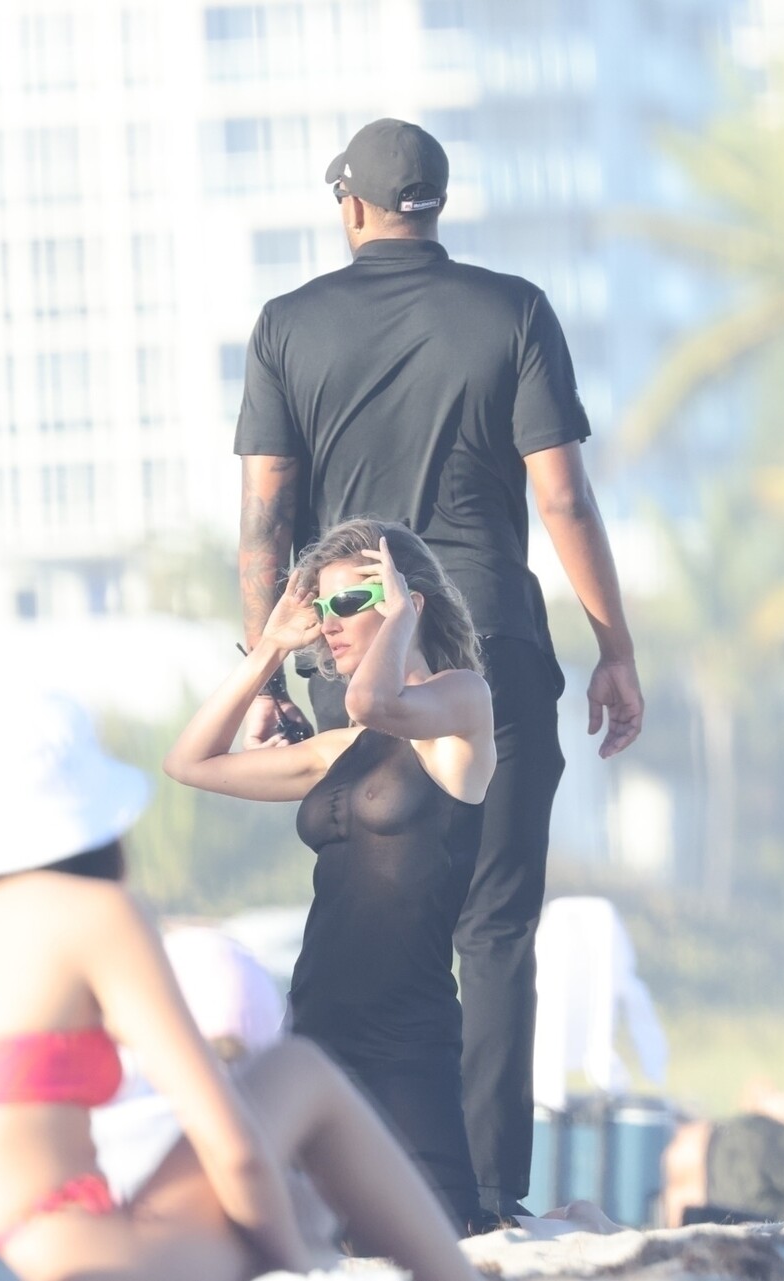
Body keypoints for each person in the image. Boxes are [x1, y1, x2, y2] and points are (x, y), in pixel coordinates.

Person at [234, 116, 644, 1224]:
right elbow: (563, 496)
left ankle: (356, 1184)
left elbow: (266, 516)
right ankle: (488, 1193)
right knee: (495, 924)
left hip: (352, 651)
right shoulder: (513, 311)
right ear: (438, 205)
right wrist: (614, 647)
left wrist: (267, 672)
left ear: (351, 206)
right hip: (490, 640)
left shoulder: (287, 326)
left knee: (376, 919)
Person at [0, 692, 479, 1281]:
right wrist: (293, 1258)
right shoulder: (91, 912)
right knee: (297, 1072)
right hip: (65, 1260)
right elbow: (234, 1147)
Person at [167, 518, 495, 1231]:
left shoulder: (463, 706)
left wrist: (401, 620)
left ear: (408, 601)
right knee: (304, 1239)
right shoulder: (337, 749)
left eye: (349, 602)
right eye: (321, 608)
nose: (329, 624)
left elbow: (375, 701)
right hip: (315, 1027)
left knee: (447, 1235)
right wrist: (272, 648)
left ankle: (579, 1223)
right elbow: (190, 761)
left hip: (406, 1039)